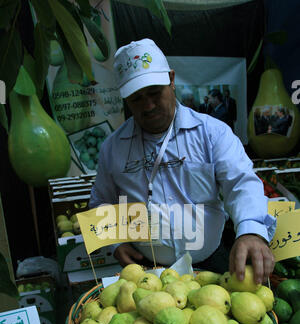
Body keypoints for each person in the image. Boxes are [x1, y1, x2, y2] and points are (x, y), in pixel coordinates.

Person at [89, 38, 276, 285]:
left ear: (172, 79)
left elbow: (241, 182)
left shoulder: (212, 133)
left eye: (155, 92)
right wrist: (114, 244)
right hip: (146, 271)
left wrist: (251, 231)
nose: (149, 105)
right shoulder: (113, 147)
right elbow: (100, 201)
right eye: (136, 99)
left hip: (209, 262)